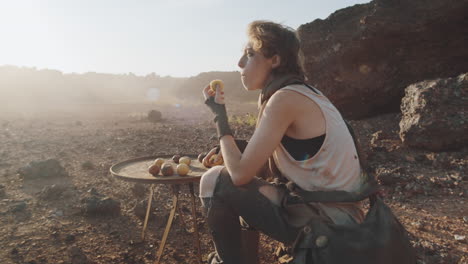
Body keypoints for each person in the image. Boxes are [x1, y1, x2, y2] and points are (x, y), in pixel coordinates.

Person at [200, 20, 366, 264]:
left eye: (249, 54)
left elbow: (240, 176)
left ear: (275, 60)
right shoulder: (304, 92)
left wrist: (219, 116)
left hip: (330, 226)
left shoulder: (284, 99)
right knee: (242, 184)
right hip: (341, 217)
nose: (239, 63)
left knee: (214, 181)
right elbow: (284, 158)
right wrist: (240, 149)